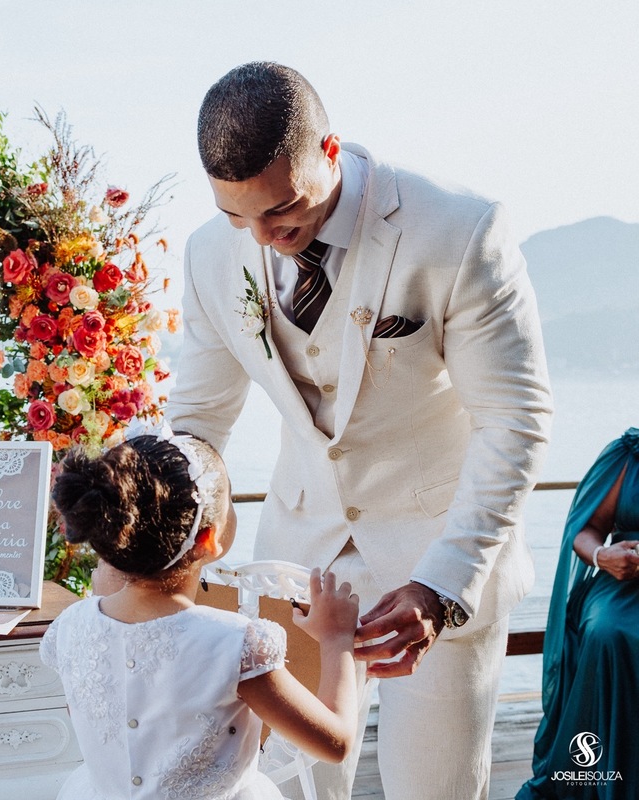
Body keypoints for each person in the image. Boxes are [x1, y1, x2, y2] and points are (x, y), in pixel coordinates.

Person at [164, 62, 554, 799]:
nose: (264, 237)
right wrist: (158, 540)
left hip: (437, 559)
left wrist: (441, 585)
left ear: (330, 151)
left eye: (284, 210)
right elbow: (198, 423)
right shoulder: (210, 254)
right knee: (293, 789)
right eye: (237, 217)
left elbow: (515, 418)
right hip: (297, 565)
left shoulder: (459, 229)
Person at [40, 429, 360, 800]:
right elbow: (334, 743)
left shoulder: (70, 626)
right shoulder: (236, 645)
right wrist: (337, 638)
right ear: (209, 539)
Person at [517, 428, 639, 800]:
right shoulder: (628, 453)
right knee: (609, 631)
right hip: (624, 581)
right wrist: (603, 556)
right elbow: (586, 529)